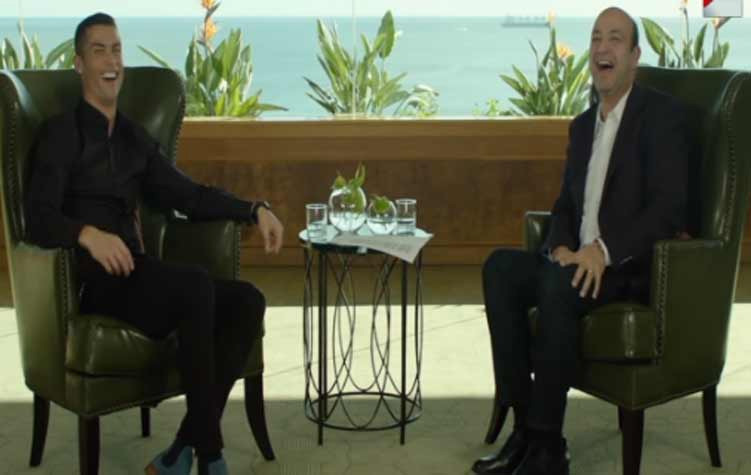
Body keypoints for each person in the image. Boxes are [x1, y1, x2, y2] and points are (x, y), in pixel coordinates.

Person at [25, 13, 284, 475]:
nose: (112, 61)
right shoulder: (60, 134)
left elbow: (190, 196)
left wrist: (253, 209)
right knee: (196, 286)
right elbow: (37, 218)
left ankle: (181, 449)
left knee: (247, 301)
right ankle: (210, 456)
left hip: (140, 278)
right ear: (79, 64)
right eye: (99, 50)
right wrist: (87, 235)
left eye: (117, 50)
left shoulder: (133, 138)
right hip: (91, 286)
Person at [473, 7, 689, 475]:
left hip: (626, 269)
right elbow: (566, 206)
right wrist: (559, 248)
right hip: (577, 263)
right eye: (595, 38)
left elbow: (668, 209)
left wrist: (602, 251)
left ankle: (548, 447)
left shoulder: (661, 117)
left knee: (557, 286)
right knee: (500, 268)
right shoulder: (582, 124)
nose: (602, 48)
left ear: (634, 56)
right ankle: (524, 430)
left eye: (615, 39)